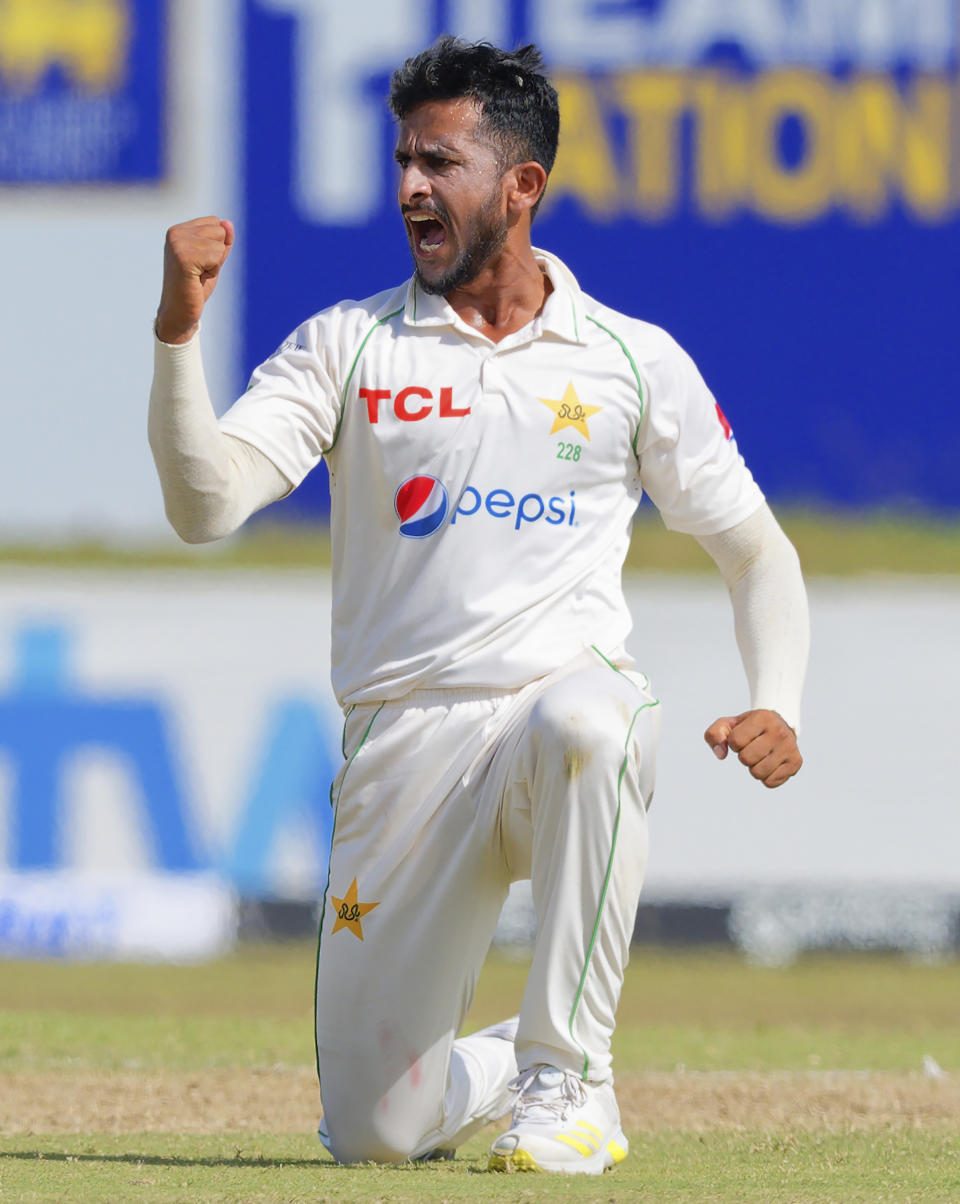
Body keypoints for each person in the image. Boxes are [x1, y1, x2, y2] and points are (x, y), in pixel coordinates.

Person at [149, 37, 808, 1176]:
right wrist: (175, 338)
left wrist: (778, 699)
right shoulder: (347, 344)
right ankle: (525, 1055)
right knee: (374, 1136)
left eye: (439, 162)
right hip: (404, 744)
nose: (408, 186)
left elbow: (757, 551)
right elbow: (206, 507)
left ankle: (570, 1081)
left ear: (521, 187)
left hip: (555, 716)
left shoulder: (629, 359)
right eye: (403, 160)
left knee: (590, 723)